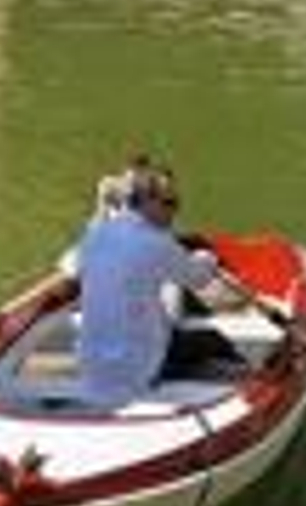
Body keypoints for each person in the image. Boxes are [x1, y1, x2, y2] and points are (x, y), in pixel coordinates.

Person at [72, 171, 229, 410]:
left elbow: (73, 268)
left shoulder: (95, 233)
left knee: (159, 302)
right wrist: (208, 257)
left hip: (89, 365)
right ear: (148, 203)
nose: (174, 211)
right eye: (169, 203)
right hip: (139, 367)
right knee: (215, 341)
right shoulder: (157, 243)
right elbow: (199, 279)